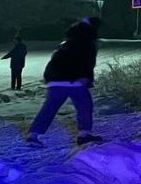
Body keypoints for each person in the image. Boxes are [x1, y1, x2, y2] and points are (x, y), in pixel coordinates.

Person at [26, 17, 103, 147]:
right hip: (74, 80)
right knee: (84, 105)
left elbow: (56, 60)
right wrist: (86, 77)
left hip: (55, 79)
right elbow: (88, 62)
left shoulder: (66, 42)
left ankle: (33, 135)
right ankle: (84, 134)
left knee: (50, 107)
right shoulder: (87, 42)